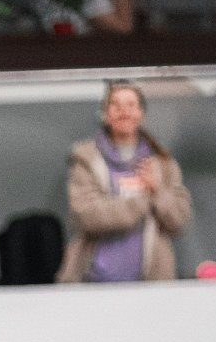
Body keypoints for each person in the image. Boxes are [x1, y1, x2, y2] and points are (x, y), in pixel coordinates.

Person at [57, 81, 193, 283]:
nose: (124, 112)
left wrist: (158, 189)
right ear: (105, 113)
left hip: (149, 282)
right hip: (93, 280)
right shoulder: (86, 157)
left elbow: (179, 222)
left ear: (141, 113)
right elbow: (85, 215)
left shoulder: (163, 163)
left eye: (131, 105)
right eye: (116, 105)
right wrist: (143, 201)